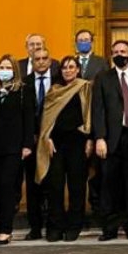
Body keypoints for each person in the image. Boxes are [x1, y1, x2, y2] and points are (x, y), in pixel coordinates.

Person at [92, 39, 128, 240]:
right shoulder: (102, 78)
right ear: (111, 55)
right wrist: (99, 138)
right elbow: (97, 110)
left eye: (123, 51)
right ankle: (110, 228)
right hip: (110, 138)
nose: (120, 54)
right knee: (109, 184)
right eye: (116, 51)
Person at [36, 55, 93, 242]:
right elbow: (46, 119)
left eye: (71, 67)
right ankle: (55, 226)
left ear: (77, 69)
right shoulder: (54, 90)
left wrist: (89, 139)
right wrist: (47, 138)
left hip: (78, 142)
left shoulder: (85, 87)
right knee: (55, 186)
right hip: (56, 144)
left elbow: (90, 115)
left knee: (77, 186)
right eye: (64, 67)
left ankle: (74, 225)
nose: (68, 70)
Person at [0, 54, 35, 245]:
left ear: (15, 70)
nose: (5, 71)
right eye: (2, 68)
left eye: (8, 68)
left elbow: (28, 118)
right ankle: (3, 225)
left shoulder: (23, 91)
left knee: (8, 186)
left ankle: (5, 230)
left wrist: (27, 145)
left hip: (15, 147)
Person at [22, 48, 56, 240]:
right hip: (31, 141)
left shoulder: (59, 82)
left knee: (52, 184)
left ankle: (52, 225)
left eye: (44, 58)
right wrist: (29, 137)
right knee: (33, 185)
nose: (41, 62)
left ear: (50, 61)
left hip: (52, 141)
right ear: (32, 61)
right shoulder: (24, 83)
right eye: (37, 59)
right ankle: (34, 227)